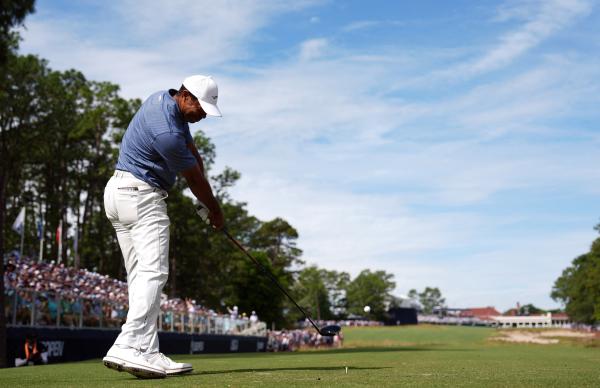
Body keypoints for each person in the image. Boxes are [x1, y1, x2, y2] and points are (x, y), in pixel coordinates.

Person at [102, 75, 224, 379]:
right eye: (201, 109)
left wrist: (205, 202)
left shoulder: (163, 100)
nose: (203, 116)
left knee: (141, 279)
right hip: (141, 197)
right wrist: (215, 211)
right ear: (186, 96)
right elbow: (193, 178)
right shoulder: (169, 131)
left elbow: (194, 156)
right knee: (155, 273)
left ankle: (148, 352)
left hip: (117, 194)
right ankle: (129, 344)